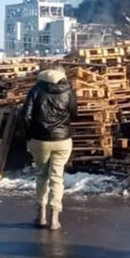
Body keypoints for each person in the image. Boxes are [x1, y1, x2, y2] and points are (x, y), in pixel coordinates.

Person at [21, 68, 76, 231]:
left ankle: (41, 215)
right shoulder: (69, 90)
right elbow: (74, 113)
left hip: (40, 140)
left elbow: (26, 115)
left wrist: (29, 135)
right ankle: (55, 219)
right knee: (57, 177)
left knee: (42, 175)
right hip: (62, 139)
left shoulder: (36, 89)